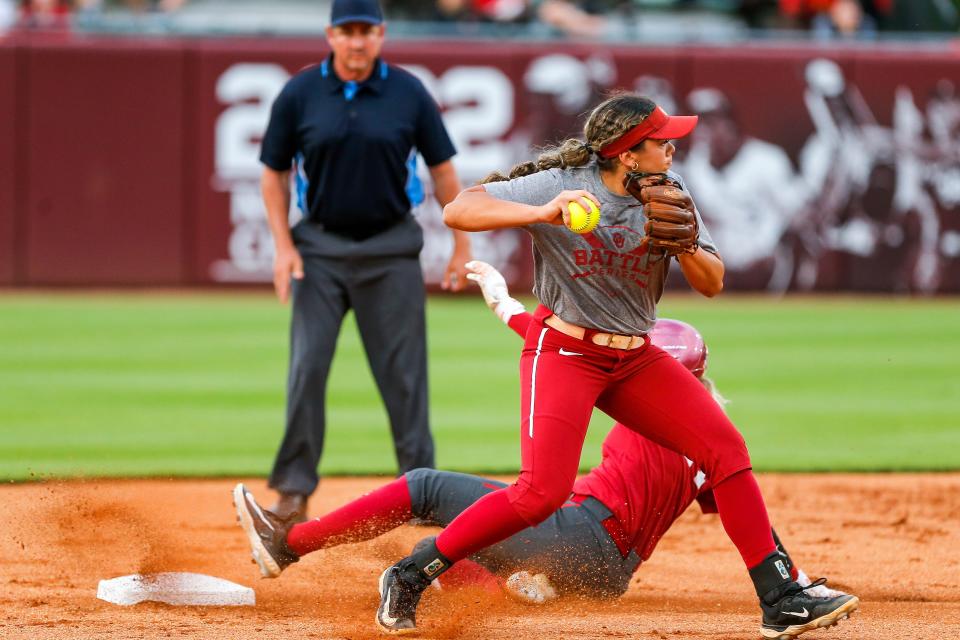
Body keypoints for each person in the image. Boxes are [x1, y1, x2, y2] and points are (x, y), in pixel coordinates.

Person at [374, 94, 856, 639]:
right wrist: (541, 213)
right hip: (566, 353)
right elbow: (458, 209)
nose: (672, 146)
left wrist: (688, 244)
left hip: (632, 357)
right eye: (661, 139)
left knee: (726, 450)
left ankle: (781, 597)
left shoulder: (670, 195)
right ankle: (413, 571)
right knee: (540, 493)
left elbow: (713, 283)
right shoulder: (563, 183)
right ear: (628, 153)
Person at [232, 261, 851, 614]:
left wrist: (505, 306)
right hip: (609, 573)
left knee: (424, 489)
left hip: (578, 534)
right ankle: (515, 584)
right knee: (481, 533)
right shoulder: (711, 433)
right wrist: (784, 571)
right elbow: (736, 509)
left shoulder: (650, 409)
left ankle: (288, 544)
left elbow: (572, 350)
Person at [258, 0, 473, 522]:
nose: (357, 41)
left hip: (391, 248)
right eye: (347, 31)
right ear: (331, 34)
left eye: (367, 31)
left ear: (382, 34)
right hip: (320, 250)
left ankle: (422, 492)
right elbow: (273, 172)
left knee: (404, 377)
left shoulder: (407, 92)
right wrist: (284, 247)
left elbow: (443, 171)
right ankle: (293, 491)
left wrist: (462, 243)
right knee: (307, 368)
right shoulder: (300, 93)